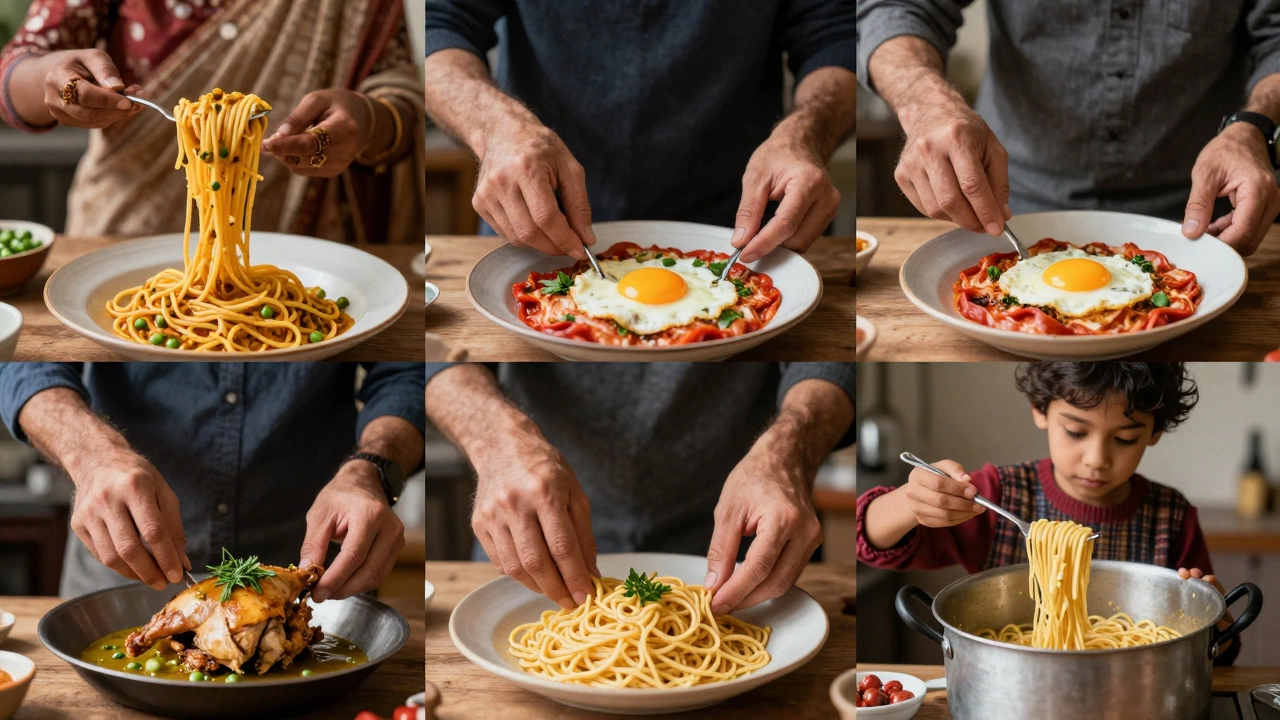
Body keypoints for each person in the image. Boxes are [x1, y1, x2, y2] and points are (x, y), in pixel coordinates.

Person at [857, 361, 1240, 663]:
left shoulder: (1171, 517)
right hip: (1015, 686)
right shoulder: (997, 496)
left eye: (1125, 439)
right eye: (1076, 432)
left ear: (1154, 432)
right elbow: (870, 541)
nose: (1097, 459)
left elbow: (1212, 653)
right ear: (1040, 410)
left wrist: (1214, 622)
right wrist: (910, 500)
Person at [423, 1, 855, 263]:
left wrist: (802, 136)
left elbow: (834, 38)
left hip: (747, 242)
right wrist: (497, 128)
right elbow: (439, 27)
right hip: (537, 231)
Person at [425, 363, 855, 614]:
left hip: (754, 542)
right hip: (524, 538)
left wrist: (789, 449)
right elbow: (438, 349)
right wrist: (495, 439)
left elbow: (832, 358)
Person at [857, 1, 1280, 256]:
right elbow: (894, 8)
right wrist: (928, 104)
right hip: (1008, 209)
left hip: (1204, 214)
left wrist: (1254, 127)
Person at [0, 0, 425, 243]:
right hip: (125, 235)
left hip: (304, 249)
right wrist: (53, 78)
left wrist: (367, 120)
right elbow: (15, 65)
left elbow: (402, 97)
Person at [0, 363, 425, 599]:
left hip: (317, 575)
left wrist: (369, 470)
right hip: (120, 567)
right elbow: (24, 360)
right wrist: (92, 455)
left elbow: (407, 374)